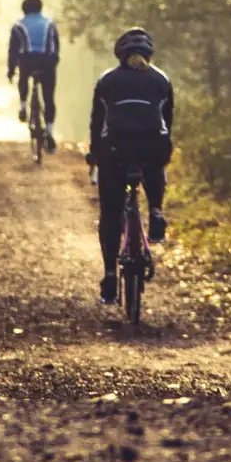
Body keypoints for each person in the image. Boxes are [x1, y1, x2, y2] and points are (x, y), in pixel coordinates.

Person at [84, 27, 172, 305]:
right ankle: (156, 212)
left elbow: (98, 124)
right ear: (149, 54)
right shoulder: (161, 80)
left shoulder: (107, 81)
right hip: (151, 148)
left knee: (111, 214)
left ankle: (110, 277)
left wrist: (94, 156)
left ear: (120, 54)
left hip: (115, 150)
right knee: (155, 159)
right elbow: (167, 123)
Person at [8, 0, 60, 151]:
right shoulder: (50, 23)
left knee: (23, 78)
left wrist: (11, 70)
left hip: (27, 60)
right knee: (49, 96)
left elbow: (13, 51)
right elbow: (56, 45)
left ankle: (23, 106)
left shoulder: (18, 25)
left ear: (24, 10)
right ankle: (50, 131)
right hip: (47, 62)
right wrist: (54, 63)